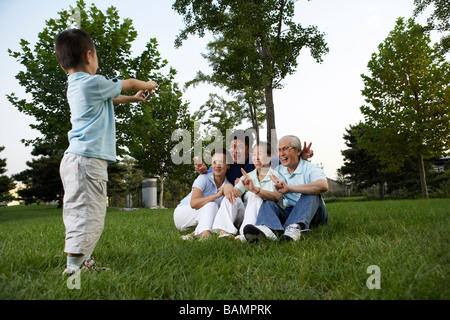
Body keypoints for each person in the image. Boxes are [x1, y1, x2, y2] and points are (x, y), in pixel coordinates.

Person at [55, 29, 157, 275]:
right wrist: (149, 84)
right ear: (89, 56)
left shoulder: (78, 86)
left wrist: (133, 99)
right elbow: (130, 82)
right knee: (86, 214)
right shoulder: (92, 82)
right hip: (86, 162)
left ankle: (83, 264)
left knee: (85, 213)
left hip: (79, 161)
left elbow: (112, 98)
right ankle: (73, 274)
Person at [244, 135, 329, 243]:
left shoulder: (310, 168)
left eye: (285, 149)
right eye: (279, 150)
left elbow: (323, 186)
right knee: (268, 202)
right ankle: (268, 229)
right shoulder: (279, 170)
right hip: (290, 211)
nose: (281, 153)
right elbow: (263, 167)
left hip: (315, 213)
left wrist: (290, 188)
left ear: (298, 151)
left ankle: (294, 228)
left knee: (310, 192)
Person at [211, 142, 283, 241]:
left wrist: (255, 190)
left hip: (262, 217)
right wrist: (231, 189)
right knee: (231, 196)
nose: (256, 158)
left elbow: (277, 197)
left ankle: (245, 234)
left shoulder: (276, 176)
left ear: (270, 157)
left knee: (255, 195)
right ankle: (225, 231)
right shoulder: (248, 176)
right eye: (254, 155)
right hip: (245, 215)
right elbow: (237, 191)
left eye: (260, 154)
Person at [174, 148, 232, 240]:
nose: (217, 165)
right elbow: (194, 203)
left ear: (228, 165)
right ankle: (205, 235)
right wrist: (216, 196)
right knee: (212, 204)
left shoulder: (228, 186)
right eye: (214, 162)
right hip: (183, 214)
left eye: (221, 162)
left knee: (216, 209)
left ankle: (193, 234)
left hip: (201, 218)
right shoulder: (203, 178)